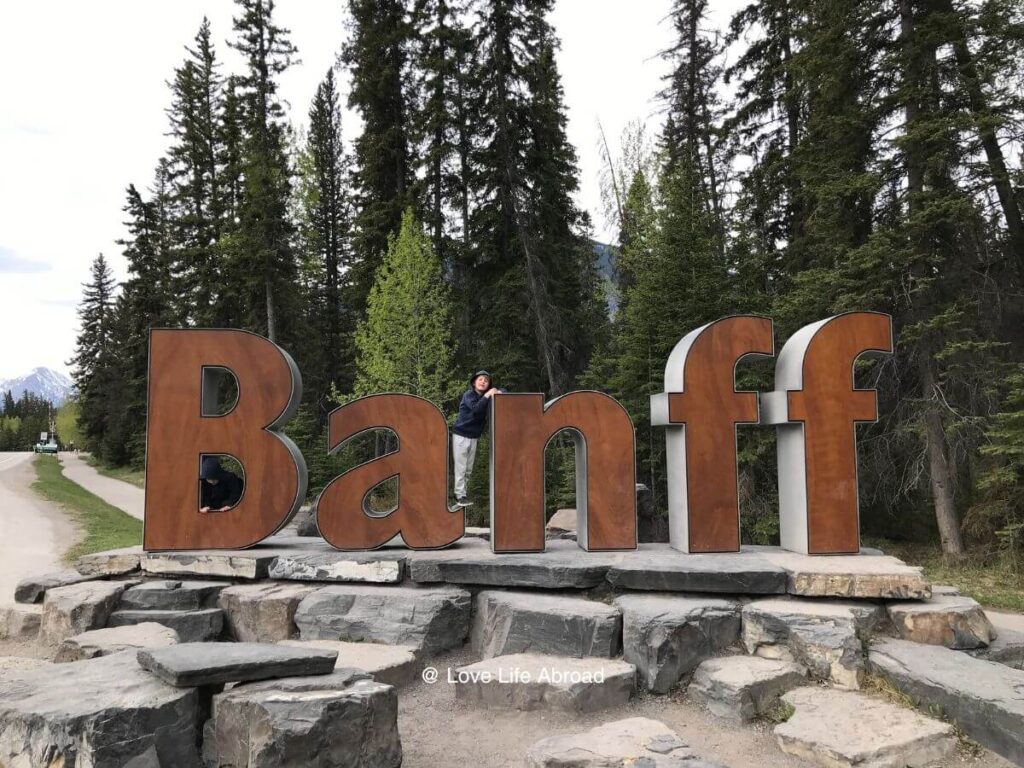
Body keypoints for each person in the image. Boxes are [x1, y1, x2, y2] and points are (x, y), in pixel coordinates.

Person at [451, 370, 501, 508]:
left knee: (468, 469)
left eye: (486, 380)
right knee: (461, 468)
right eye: (480, 379)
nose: (483, 382)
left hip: (473, 437)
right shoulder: (469, 395)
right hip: (461, 435)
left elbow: (503, 391)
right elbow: (476, 410)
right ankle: (459, 495)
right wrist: (488, 395)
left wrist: (498, 391)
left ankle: (463, 495)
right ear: (474, 383)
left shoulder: (486, 396)